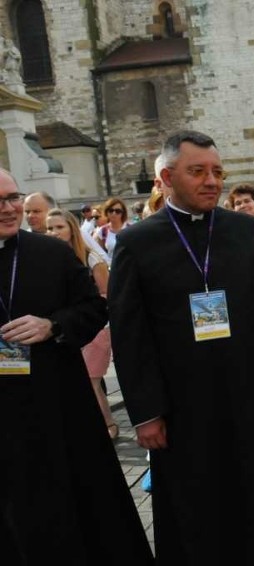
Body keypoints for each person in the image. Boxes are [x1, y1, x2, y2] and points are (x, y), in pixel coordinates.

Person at [108, 130, 254, 563]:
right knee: (192, 508)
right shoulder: (136, 243)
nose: (212, 181)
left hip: (246, 392)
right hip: (179, 406)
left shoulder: (246, 230)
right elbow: (129, 332)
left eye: (217, 172)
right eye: (198, 172)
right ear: (165, 177)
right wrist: (146, 412)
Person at [0, 169, 153, 565]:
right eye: (0, 201)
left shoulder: (50, 253)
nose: (10, 208)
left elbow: (93, 308)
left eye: (14, 197)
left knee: (73, 511)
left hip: (56, 406)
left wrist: (53, 325)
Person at [46, 208, 118, 439]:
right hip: (63, 329)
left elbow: (107, 296)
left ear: (72, 229)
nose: (54, 232)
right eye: (50, 228)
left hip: (95, 329)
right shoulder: (48, 259)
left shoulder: (91, 258)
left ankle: (109, 425)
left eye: (59, 227)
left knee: (91, 381)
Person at [95, 196, 129, 264]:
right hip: (112, 269)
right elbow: (101, 254)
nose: (114, 213)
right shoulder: (102, 231)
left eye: (118, 211)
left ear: (123, 213)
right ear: (106, 212)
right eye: (111, 210)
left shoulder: (131, 229)